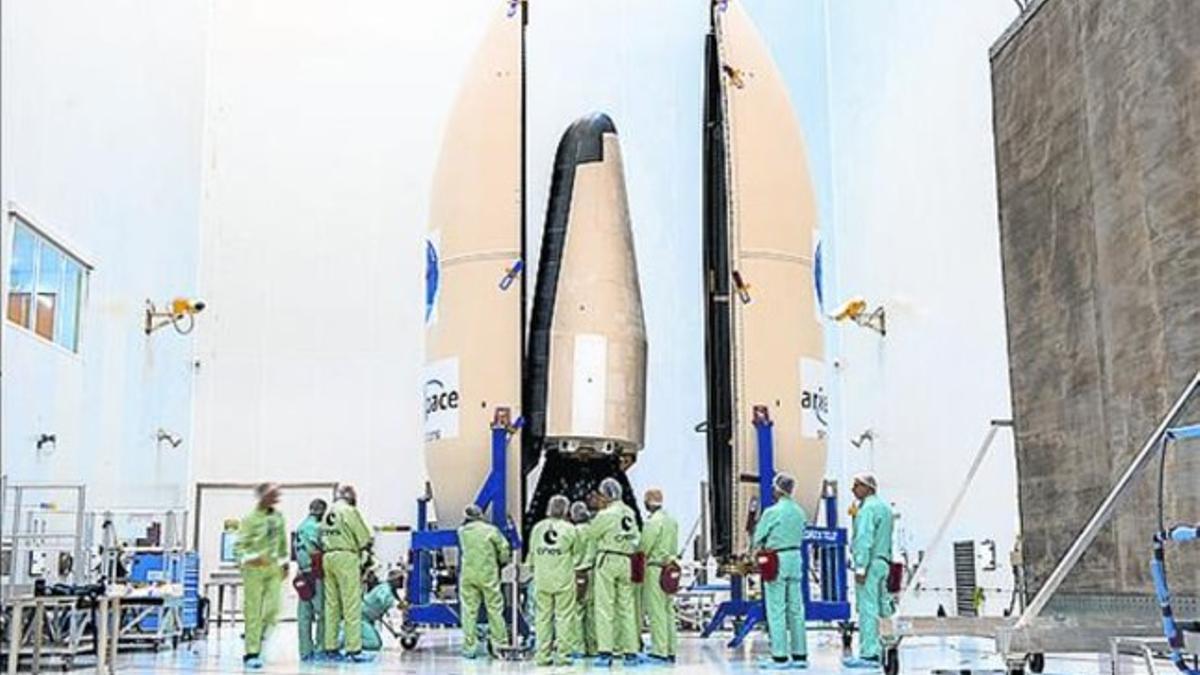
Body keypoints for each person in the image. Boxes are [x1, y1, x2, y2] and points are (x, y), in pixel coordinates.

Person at [752, 473, 809, 671]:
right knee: (796, 608)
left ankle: (780, 657)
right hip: (795, 558)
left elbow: (758, 537)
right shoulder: (800, 512)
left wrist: (755, 544)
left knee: (776, 609)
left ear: (778, 489)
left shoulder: (772, 512)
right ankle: (800, 655)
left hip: (776, 560)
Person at [844, 473, 895, 669]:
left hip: (870, 565)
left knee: (868, 608)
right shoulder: (885, 509)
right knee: (884, 607)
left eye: (857, 485)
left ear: (868, 487)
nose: (853, 489)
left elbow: (864, 539)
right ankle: (887, 646)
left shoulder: (866, 510)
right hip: (884, 563)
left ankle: (869, 654)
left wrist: (860, 566)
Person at [236, 483, 288, 670]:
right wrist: (250, 558)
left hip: (273, 568)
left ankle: (259, 637)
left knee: (273, 609)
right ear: (262, 496)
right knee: (254, 611)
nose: (276, 498)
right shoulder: (250, 519)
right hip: (254, 569)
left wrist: (284, 562)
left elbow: (282, 542)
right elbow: (239, 547)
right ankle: (252, 651)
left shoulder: (278, 518)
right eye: (272, 494)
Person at [591, 477, 641, 667]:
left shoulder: (606, 515)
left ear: (606, 494)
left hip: (608, 560)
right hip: (626, 560)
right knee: (627, 607)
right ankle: (631, 651)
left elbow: (592, 534)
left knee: (605, 606)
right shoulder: (629, 512)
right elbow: (636, 537)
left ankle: (606, 651)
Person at [321, 485, 374, 662]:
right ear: (351, 498)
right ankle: (354, 649)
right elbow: (364, 537)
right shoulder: (349, 511)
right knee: (351, 604)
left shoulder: (328, 513)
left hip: (327, 557)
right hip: (346, 557)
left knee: (332, 605)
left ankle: (330, 647)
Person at [529, 495, 580, 666]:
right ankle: (563, 656)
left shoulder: (537, 528)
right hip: (563, 580)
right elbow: (578, 554)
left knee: (542, 618)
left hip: (542, 579)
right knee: (564, 617)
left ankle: (542, 656)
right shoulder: (570, 530)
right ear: (566, 510)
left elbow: (532, 553)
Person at [458, 504, 511, 659]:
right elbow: (504, 548)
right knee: (494, 609)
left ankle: (469, 648)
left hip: (468, 575)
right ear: (481, 515)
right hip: (488, 575)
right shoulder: (491, 531)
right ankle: (499, 645)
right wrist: (502, 562)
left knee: (469, 611)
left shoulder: (462, 532)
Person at [640, 488, 679, 663]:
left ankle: (659, 651)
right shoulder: (671, 520)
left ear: (648, 502)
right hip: (670, 569)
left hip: (655, 569)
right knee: (668, 610)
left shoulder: (652, 522)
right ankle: (671, 649)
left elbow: (644, 546)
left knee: (656, 611)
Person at [296, 498, 327, 662]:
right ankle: (321, 648)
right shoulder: (317, 528)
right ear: (322, 511)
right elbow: (325, 547)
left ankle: (305, 651)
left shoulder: (301, 527)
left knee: (304, 615)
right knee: (322, 613)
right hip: (315, 574)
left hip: (302, 574)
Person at [569, 500, 597, 658]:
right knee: (592, 612)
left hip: (577, 574)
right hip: (593, 573)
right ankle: (593, 647)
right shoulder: (594, 530)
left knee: (577, 612)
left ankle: (578, 648)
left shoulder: (573, 532)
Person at [361, 569, 404, 651]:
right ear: (394, 580)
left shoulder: (390, 590)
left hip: (368, 620)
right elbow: (385, 599)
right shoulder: (384, 589)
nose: (402, 582)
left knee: (378, 643)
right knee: (373, 644)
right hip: (362, 618)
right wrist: (399, 605)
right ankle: (350, 643)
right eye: (400, 579)